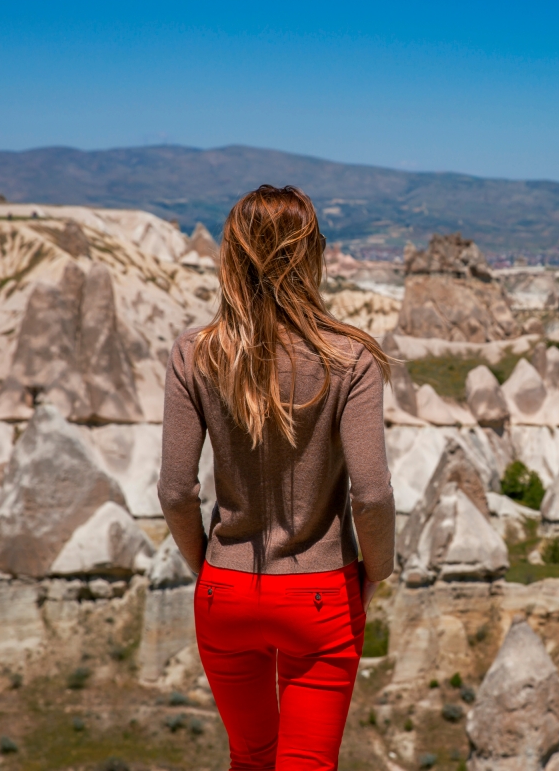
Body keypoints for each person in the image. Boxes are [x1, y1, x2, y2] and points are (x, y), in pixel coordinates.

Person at [157, 185, 394, 770]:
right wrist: (377, 571)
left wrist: (206, 565)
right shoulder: (351, 357)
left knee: (250, 758)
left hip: (225, 591)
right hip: (321, 594)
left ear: (230, 255)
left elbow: (174, 490)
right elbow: (372, 493)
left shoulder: (195, 353)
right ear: (311, 255)